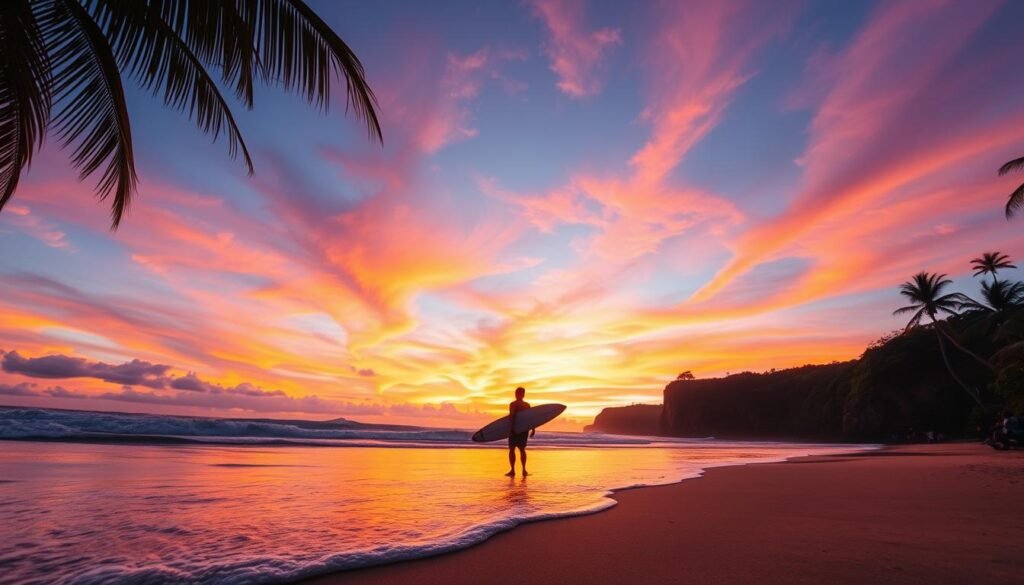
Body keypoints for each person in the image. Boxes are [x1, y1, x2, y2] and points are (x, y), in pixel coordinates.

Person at [506, 386, 535, 477]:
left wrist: (511, 428)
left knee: (512, 449)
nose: (516, 395)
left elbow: (512, 416)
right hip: (523, 430)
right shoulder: (527, 405)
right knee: (522, 449)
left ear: (520, 394)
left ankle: (513, 470)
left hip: (515, 429)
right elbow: (530, 418)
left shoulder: (513, 404)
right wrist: (533, 428)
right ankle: (524, 470)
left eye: (517, 393)